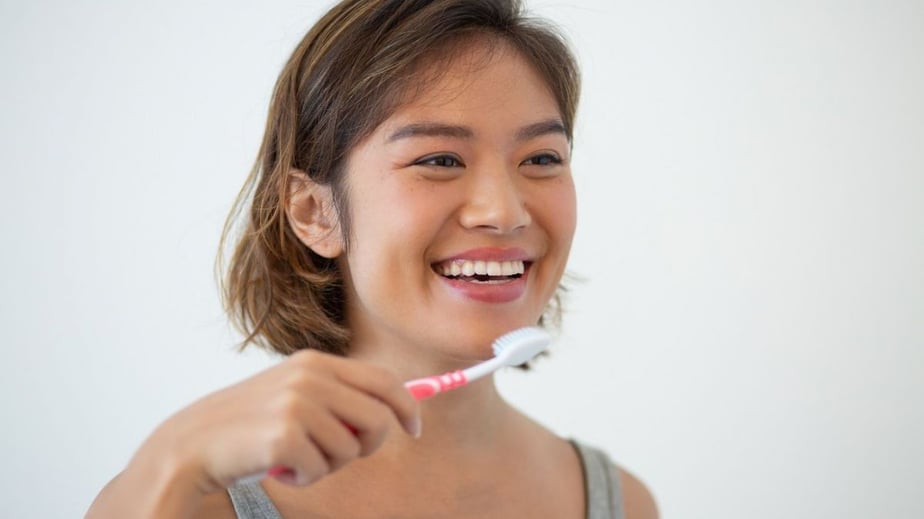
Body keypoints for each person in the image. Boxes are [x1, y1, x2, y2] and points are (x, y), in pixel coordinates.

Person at [86, 0, 658, 517]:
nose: (504, 212)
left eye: (540, 158)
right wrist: (170, 463)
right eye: (438, 159)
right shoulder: (184, 501)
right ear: (314, 212)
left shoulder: (620, 503)